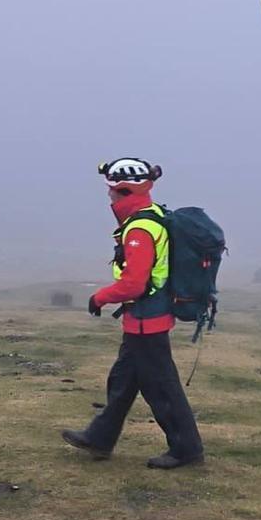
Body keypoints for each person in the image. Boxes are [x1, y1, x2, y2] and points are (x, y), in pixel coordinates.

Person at [61, 158, 205, 469]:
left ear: (124, 190)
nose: (109, 196)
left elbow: (134, 283)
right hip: (143, 319)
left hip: (146, 321)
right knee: (123, 380)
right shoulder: (151, 216)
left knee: (162, 388)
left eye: (112, 190)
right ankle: (99, 437)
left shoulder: (139, 229)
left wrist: (100, 298)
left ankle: (186, 450)